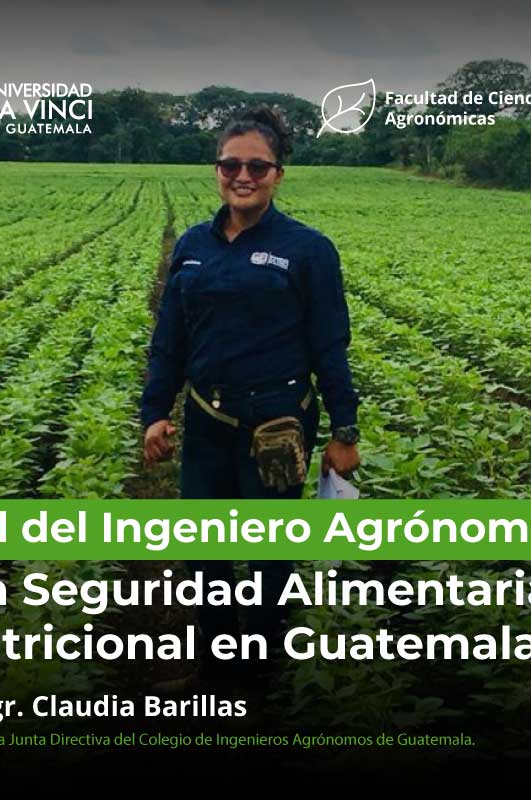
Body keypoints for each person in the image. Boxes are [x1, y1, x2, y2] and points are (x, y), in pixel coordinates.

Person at [140, 106, 361, 691]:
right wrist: (155, 414)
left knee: (266, 561)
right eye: (231, 164)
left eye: (257, 167)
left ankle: (259, 678)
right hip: (207, 422)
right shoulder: (192, 246)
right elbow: (170, 341)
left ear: (278, 174)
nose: (244, 175)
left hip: (278, 426)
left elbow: (330, 344)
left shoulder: (308, 249)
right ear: (216, 170)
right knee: (206, 555)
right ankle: (215, 669)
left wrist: (344, 433)